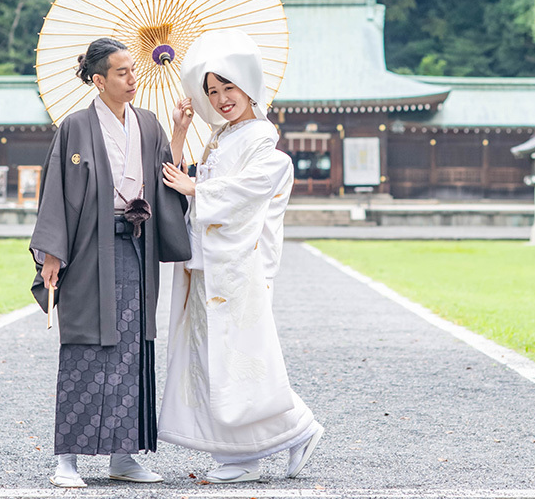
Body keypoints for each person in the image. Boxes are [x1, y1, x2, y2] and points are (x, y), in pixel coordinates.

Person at [159, 28, 323, 484]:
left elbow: (252, 187)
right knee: (215, 356)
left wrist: (201, 188)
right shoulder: (220, 137)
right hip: (207, 263)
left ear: (248, 85)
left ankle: (292, 431)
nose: (221, 98)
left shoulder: (260, 139)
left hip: (235, 264)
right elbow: (179, 182)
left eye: (228, 86)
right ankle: (241, 455)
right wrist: (180, 131)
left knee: (242, 357)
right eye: (212, 90)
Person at [29, 37, 192, 488]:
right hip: (88, 249)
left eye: (133, 70)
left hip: (135, 247)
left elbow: (165, 180)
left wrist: (177, 130)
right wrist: (52, 256)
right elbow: (57, 194)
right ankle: (67, 458)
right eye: (121, 72)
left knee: (132, 345)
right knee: (84, 344)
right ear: (98, 80)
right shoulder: (76, 127)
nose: (132, 78)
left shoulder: (148, 122)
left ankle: (124, 456)